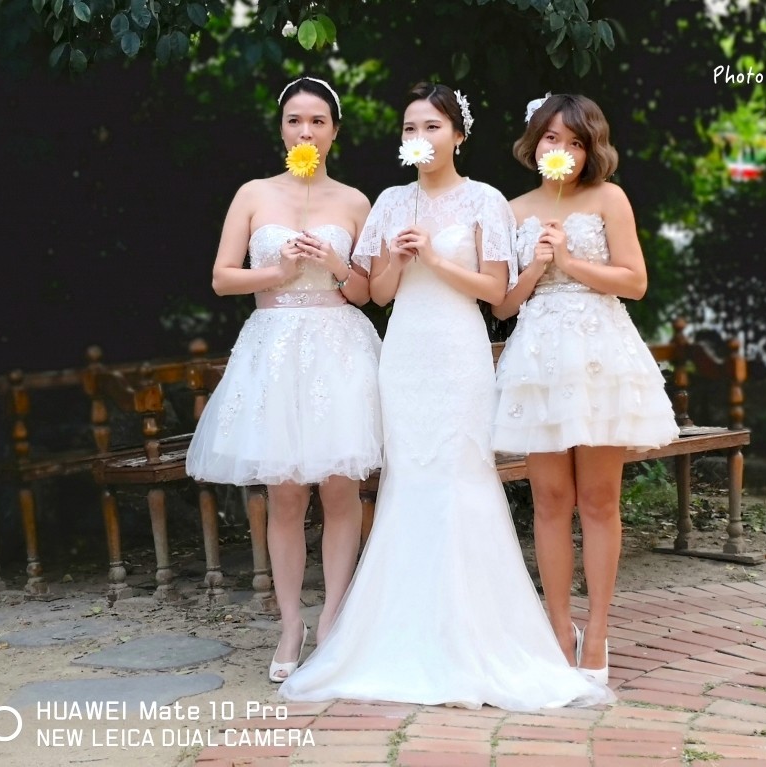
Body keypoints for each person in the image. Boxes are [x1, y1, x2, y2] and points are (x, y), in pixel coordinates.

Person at [279, 83, 614, 710]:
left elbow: (494, 292)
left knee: (463, 475)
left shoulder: (485, 199)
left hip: (460, 353)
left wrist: (433, 254)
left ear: (458, 135)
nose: (420, 138)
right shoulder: (389, 201)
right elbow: (378, 295)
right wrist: (399, 259)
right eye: (410, 129)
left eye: (432, 127)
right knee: (408, 478)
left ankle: (479, 635)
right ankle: (401, 633)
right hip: (406, 354)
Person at [185, 76, 382, 682]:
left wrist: (335, 263)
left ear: (335, 132)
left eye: (318, 121)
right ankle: (291, 621)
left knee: (341, 491)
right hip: (273, 348)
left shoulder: (354, 201)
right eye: (295, 120)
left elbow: (369, 292)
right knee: (286, 494)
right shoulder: (253, 194)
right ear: (281, 129)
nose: (306, 132)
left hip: (338, 348)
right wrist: (277, 269)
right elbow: (222, 278)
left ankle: (334, 619)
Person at [492, 94, 680, 683]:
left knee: (598, 500)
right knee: (549, 499)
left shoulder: (608, 198)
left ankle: (596, 631)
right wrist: (535, 265)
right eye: (553, 138)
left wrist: (570, 262)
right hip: (538, 360)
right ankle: (557, 628)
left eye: (576, 142)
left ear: (591, 148)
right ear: (535, 143)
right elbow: (502, 305)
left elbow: (636, 282)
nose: (564, 151)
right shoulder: (511, 209)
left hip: (600, 355)